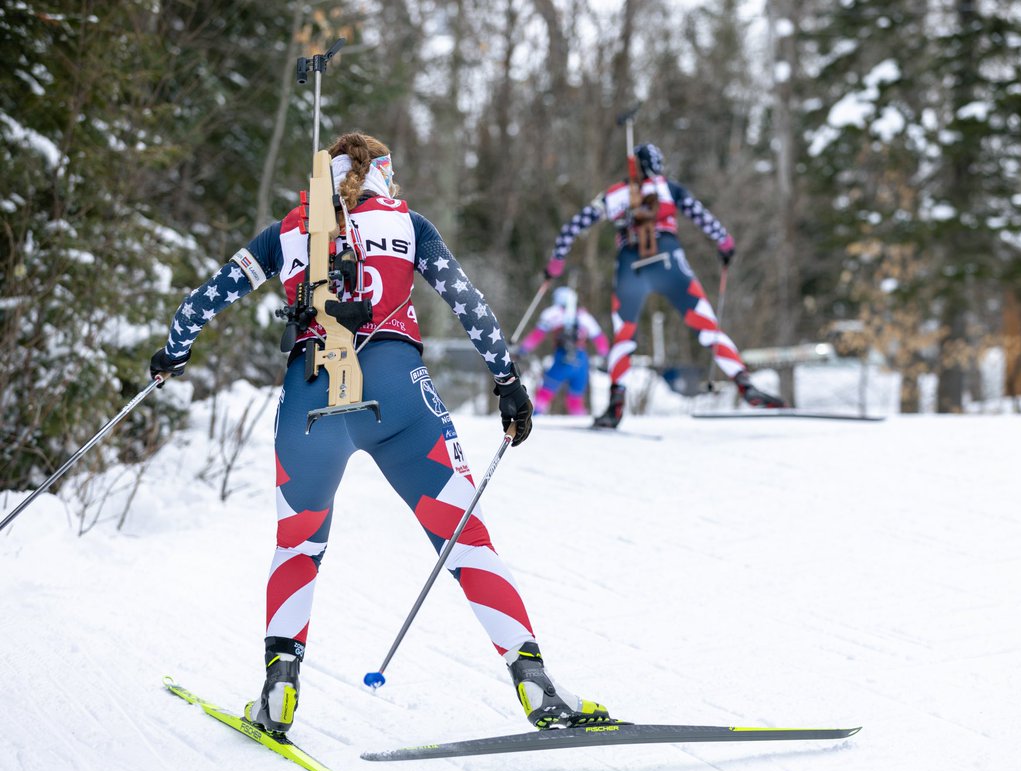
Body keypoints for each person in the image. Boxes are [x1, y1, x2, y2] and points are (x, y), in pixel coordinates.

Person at [149, 132, 610, 735]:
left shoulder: (288, 230)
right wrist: (508, 381)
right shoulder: (408, 224)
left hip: (309, 399)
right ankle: (537, 686)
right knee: (465, 539)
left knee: (298, 545)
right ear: (383, 177)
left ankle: (278, 691)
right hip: (399, 393)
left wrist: (173, 352)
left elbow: (204, 300)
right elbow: (468, 301)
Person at [544, 142, 785, 428]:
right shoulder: (670, 189)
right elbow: (702, 217)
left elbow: (573, 226)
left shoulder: (617, 193)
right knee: (707, 326)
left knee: (624, 336)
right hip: (670, 261)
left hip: (630, 267)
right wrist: (724, 243)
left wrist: (556, 262)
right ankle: (744, 383)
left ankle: (616, 404)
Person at [515, 286, 610, 416]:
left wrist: (523, 350)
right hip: (582, 359)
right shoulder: (584, 316)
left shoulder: (553, 313)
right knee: (576, 394)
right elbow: (600, 339)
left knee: (547, 387)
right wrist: (605, 356)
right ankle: (578, 419)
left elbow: (537, 334)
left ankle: (533, 416)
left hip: (563, 357)